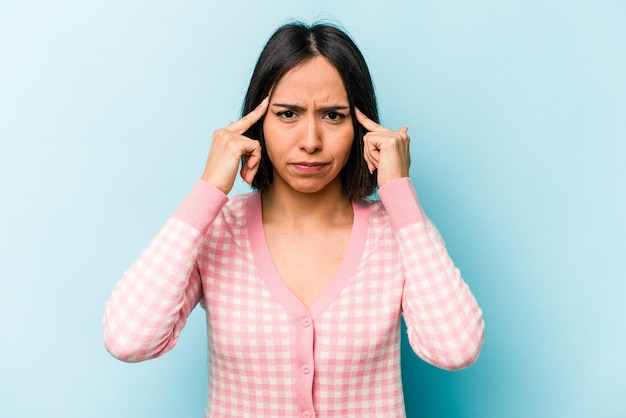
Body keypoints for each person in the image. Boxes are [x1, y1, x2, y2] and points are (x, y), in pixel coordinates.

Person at [103, 21, 484, 418]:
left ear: (360, 127)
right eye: (287, 114)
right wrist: (208, 189)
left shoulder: (398, 232)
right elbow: (129, 339)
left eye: (334, 116)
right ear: (256, 123)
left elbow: (455, 348)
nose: (311, 140)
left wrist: (399, 191)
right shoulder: (219, 229)